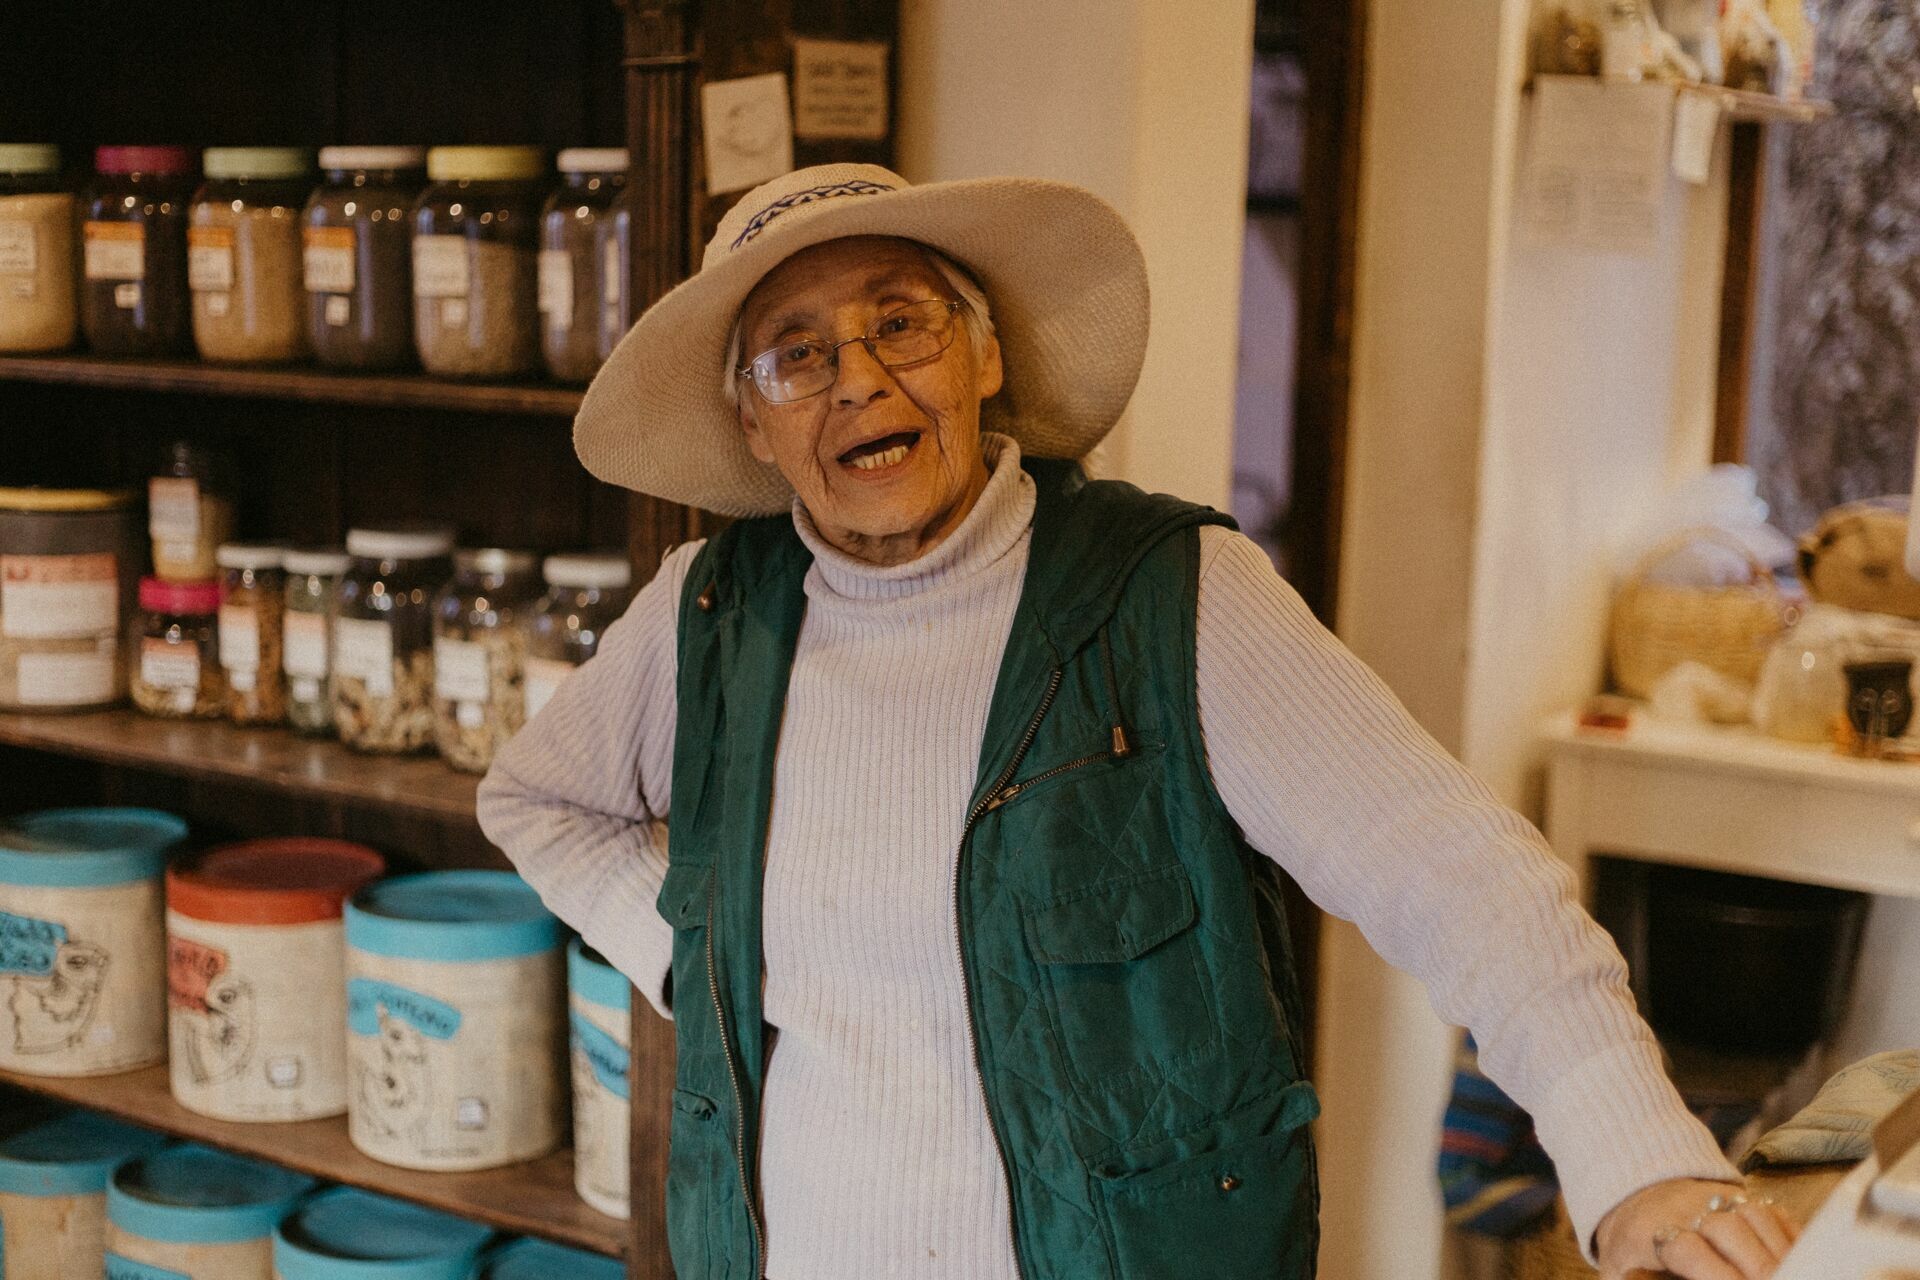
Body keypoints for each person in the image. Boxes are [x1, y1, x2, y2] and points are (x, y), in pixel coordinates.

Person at [478, 164, 1799, 1280]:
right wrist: (706, 956)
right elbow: (534, 802)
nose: (860, 379)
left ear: (986, 356)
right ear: (752, 425)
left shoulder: (1166, 594)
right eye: (799, 354)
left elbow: (1453, 868)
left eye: (905, 323)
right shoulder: (705, 617)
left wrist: (1635, 1159)